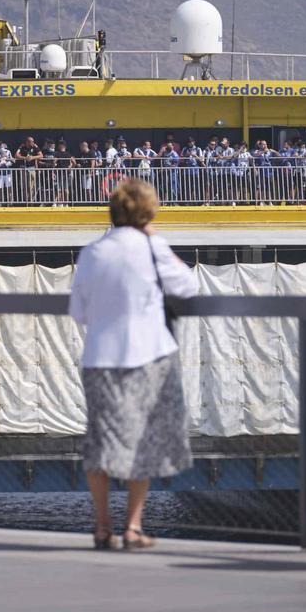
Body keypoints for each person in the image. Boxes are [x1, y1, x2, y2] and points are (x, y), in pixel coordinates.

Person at [69, 178, 199, 550]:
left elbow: (79, 312)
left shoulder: (92, 253)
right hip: (148, 355)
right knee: (143, 440)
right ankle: (133, 527)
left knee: (101, 441)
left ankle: (100, 525)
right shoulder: (152, 247)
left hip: (100, 358)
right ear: (147, 213)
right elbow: (188, 287)